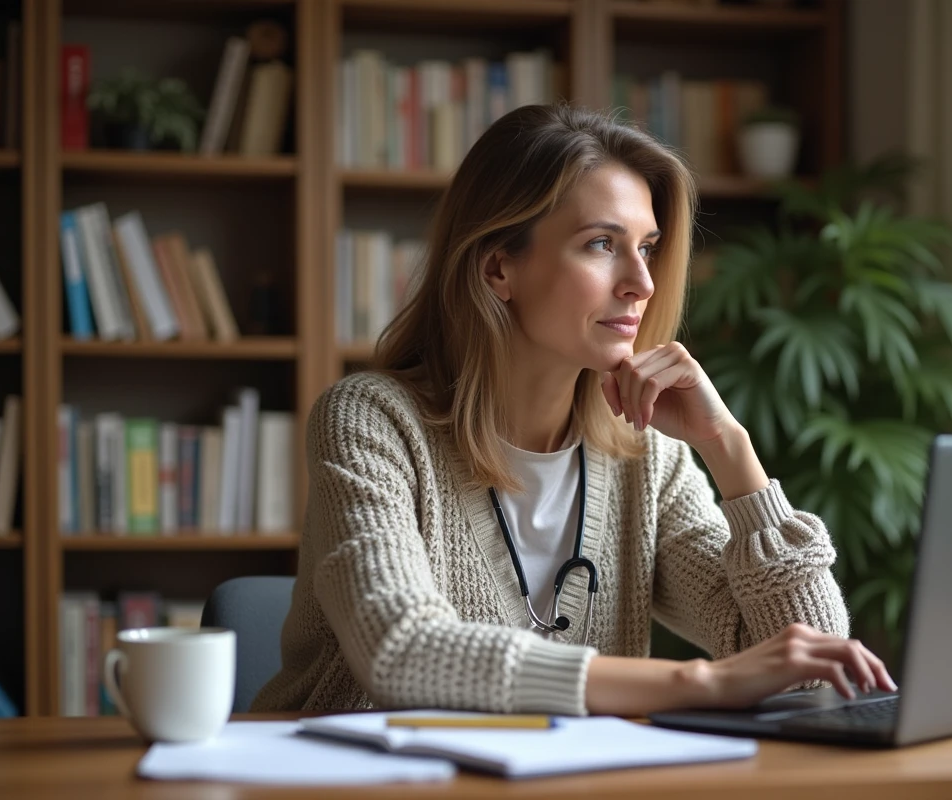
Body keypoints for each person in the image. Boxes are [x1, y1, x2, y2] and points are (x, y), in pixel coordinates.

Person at [252, 104, 896, 717]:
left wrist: (728, 445)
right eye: (600, 244)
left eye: (646, 247)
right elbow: (400, 650)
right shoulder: (371, 423)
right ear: (499, 269)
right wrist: (700, 681)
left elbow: (812, 668)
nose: (641, 283)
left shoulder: (647, 452)